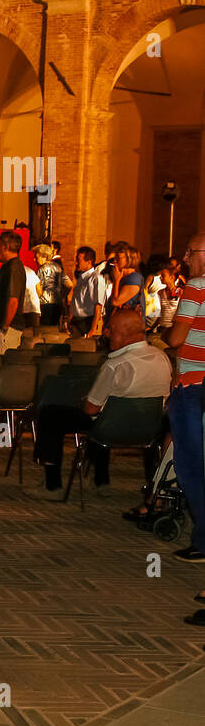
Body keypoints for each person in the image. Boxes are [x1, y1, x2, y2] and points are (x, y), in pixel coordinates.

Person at [27, 309, 170, 503]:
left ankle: (53, 485)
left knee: (52, 414)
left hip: (111, 429)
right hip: (150, 430)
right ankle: (101, 482)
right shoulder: (163, 358)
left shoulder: (116, 364)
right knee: (108, 415)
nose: (106, 333)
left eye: (111, 329)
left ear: (126, 333)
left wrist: (85, 400)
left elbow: (90, 409)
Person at [165, 232, 205, 563]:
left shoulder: (197, 286)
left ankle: (203, 541)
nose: (185, 257)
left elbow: (178, 336)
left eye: (189, 252)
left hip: (193, 385)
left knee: (192, 466)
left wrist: (166, 332)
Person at [0, 230, 28, 354]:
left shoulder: (13, 268)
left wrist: (4, 327)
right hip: (1, 328)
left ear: (4, 247)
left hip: (5, 331)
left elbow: (13, 299)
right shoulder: (10, 267)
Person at [66, 246, 107, 338]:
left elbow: (98, 305)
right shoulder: (81, 278)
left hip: (87, 321)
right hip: (76, 321)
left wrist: (93, 329)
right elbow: (76, 301)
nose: (76, 263)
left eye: (79, 260)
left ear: (89, 262)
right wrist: (70, 318)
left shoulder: (97, 278)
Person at [33, 243, 64, 327]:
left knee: (45, 329)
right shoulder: (58, 267)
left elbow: (38, 290)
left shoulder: (41, 270)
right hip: (57, 303)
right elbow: (69, 284)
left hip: (45, 304)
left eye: (37, 257)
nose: (34, 260)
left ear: (44, 256)